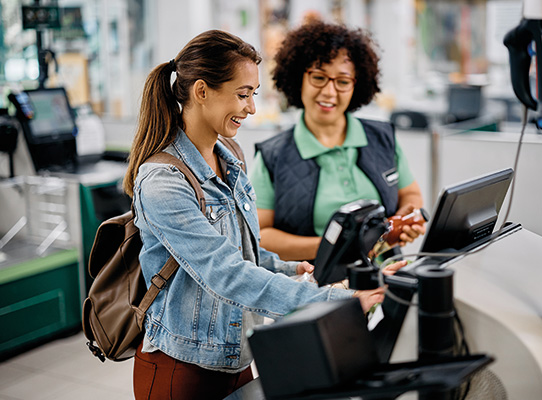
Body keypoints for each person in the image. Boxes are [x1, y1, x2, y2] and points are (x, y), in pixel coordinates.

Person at [122, 30, 405, 399]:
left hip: (237, 357)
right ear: (202, 91)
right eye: (242, 95)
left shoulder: (232, 157)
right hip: (182, 367)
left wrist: (292, 268)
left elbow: (243, 250)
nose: (251, 108)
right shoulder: (163, 182)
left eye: (253, 95)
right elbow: (225, 274)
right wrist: (339, 301)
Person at [251, 21, 426, 262]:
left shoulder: (382, 139)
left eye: (342, 81)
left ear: (357, 84)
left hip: (388, 282)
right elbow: (260, 236)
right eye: (319, 77)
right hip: (316, 290)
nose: (330, 92)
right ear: (298, 78)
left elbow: (411, 195)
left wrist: (406, 219)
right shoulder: (272, 157)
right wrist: (335, 246)